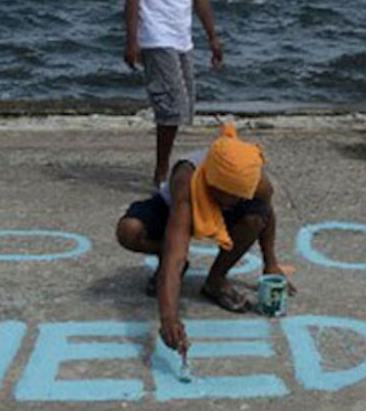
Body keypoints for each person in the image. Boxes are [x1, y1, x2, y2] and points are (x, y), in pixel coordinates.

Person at [114, 123, 294, 355]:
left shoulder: (254, 179)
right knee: (129, 230)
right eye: (230, 198)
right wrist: (169, 318)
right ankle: (161, 256)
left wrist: (270, 263)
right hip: (172, 209)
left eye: (241, 196)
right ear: (212, 185)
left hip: (225, 206)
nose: (237, 201)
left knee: (255, 218)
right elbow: (175, 258)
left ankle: (216, 280)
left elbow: (267, 213)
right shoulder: (186, 184)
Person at [124, 0, 224, 188]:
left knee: (184, 105)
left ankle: (164, 168)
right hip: (156, 32)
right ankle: (161, 172)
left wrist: (212, 37)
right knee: (171, 105)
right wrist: (132, 39)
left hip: (181, 34)